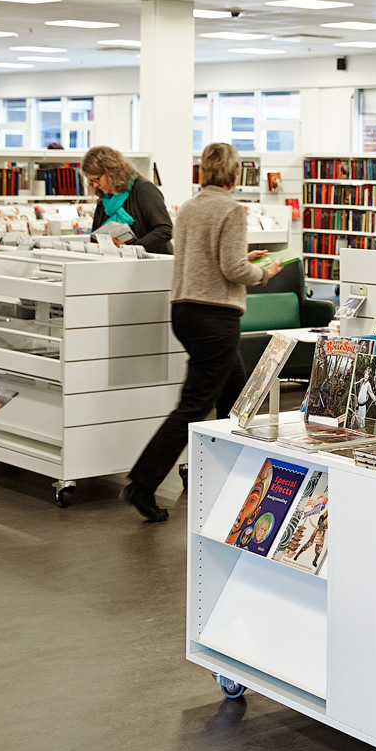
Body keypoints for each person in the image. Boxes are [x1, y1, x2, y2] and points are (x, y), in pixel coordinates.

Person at [120, 142, 281, 521]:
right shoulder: (232, 210)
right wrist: (263, 272)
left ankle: (229, 477)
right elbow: (232, 270)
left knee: (237, 396)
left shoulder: (190, 207)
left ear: (204, 171)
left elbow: (204, 259)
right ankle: (142, 483)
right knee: (194, 405)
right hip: (215, 317)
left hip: (185, 311)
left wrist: (244, 259)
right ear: (235, 173)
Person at [80, 145, 174, 255]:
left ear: (111, 172)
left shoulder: (143, 190)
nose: (95, 185)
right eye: (91, 181)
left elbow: (165, 229)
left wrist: (132, 248)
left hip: (152, 260)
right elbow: (94, 237)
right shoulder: (104, 199)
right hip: (118, 260)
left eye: (97, 179)